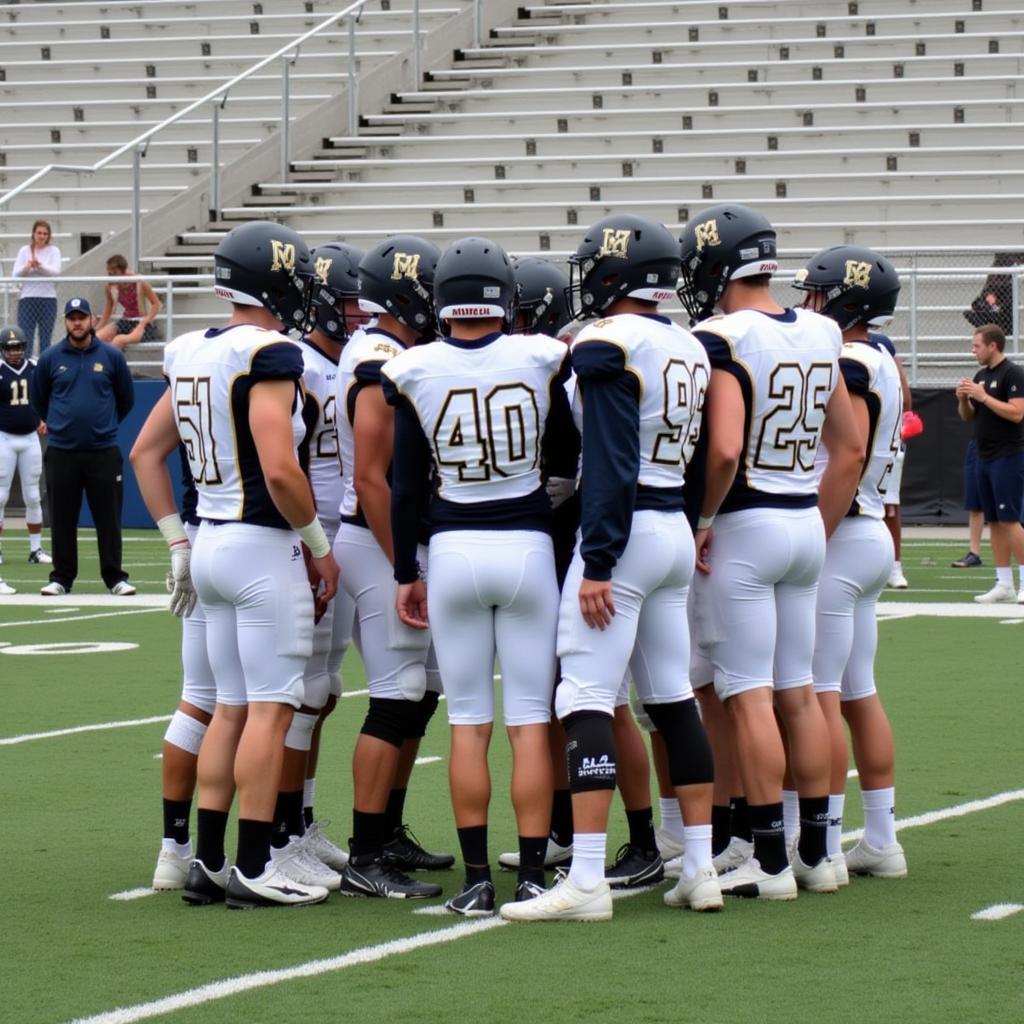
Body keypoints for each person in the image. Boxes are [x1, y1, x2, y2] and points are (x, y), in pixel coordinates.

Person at [502, 214, 721, 922]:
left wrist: (597, 558)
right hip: (670, 530)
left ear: (608, 275)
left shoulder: (605, 343)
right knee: (671, 699)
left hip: (623, 533)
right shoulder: (688, 346)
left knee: (586, 698)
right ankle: (700, 866)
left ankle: (588, 878)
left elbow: (613, 460)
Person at [131, 220, 340, 909]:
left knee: (227, 710)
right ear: (277, 280)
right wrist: (318, 544)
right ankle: (254, 863)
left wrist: (176, 543)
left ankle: (210, 861)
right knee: (271, 713)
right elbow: (280, 468)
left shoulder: (192, 347)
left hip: (209, 541)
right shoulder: (272, 354)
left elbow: (144, 453)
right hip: (260, 545)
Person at [383, 237, 579, 916]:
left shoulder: (412, 368)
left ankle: (474, 880)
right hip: (527, 543)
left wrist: (406, 567)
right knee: (530, 720)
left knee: (469, 722)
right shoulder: (545, 356)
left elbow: (402, 485)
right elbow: (566, 453)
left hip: (454, 548)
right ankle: (530, 875)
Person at [676, 204, 863, 901]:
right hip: (801, 524)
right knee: (801, 693)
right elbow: (847, 448)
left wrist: (703, 516)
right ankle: (818, 852)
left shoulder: (721, 334)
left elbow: (723, 448)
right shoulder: (820, 329)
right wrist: (816, 522)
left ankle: (771, 861)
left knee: (747, 694)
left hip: (748, 526)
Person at [333, 234, 451, 900]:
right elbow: (372, 479)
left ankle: (390, 828)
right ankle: (365, 851)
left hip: (395, 538)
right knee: (396, 693)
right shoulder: (379, 357)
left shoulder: (395, 351)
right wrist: (404, 561)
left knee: (421, 691)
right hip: (376, 538)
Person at [794, 244, 909, 882]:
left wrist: (817, 529)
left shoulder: (852, 360)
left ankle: (826, 842)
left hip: (843, 532)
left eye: (817, 291)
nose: (807, 301)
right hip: (870, 533)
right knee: (858, 691)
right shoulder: (885, 356)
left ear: (843, 299)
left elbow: (851, 451)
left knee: (821, 693)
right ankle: (883, 839)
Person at [265, 242, 362, 892]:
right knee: (297, 694)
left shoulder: (345, 358)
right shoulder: (292, 363)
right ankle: (276, 833)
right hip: (306, 535)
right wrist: (305, 542)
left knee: (321, 692)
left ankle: (297, 822)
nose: (363, 312)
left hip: (336, 534)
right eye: (353, 300)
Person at [29, 297, 136, 596]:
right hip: (62, 452)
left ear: (92, 320)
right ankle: (62, 578)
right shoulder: (51, 357)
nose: (77, 322)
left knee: (109, 519)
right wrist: (60, 424)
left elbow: (125, 399)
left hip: (103, 451)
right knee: (62, 518)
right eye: (72, 317)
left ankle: (115, 578)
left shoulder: (112, 357)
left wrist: (105, 425)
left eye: (82, 317)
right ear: (65, 321)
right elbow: (39, 399)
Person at [956, 324, 1024, 603]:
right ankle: (1003, 583)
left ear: (992, 346)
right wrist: (964, 400)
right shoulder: (981, 375)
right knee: (994, 521)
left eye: (977, 346)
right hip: (983, 455)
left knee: (1010, 520)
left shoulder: (1013, 373)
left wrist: (983, 397)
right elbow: (968, 417)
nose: (973, 351)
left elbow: (1017, 413)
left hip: (1008, 455)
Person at [0, 325, 50, 577]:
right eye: (10, 348)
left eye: (18, 347)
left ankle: (35, 548)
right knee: (0, 496)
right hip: (4, 438)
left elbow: (44, 395)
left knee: (32, 495)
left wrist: (42, 417)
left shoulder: (35, 367)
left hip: (30, 437)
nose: (14, 352)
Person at [12, 220, 61, 357]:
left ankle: (44, 369)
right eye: (39, 233)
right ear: (33, 234)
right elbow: (15, 274)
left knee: (45, 337)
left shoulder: (54, 251)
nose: (42, 236)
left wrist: (39, 266)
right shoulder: (24, 250)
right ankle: (26, 367)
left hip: (48, 298)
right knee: (26, 336)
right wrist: (28, 267)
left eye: (45, 233)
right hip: (27, 298)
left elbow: (55, 271)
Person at [95, 254, 162, 350]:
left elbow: (156, 304)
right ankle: (98, 363)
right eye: (109, 272)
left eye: (114, 272)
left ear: (123, 271)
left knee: (118, 340)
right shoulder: (110, 286)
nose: (110, 275)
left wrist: (144, 323)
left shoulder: (139, 281)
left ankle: (109, 363)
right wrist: (97, 328)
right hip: (125, 321)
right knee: (96, 338)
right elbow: (108, 308)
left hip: (142, 322)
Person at [950, 440, 985, 568]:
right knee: (976, 503)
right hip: (979, 442)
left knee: (1007, 511)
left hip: (1007, 445)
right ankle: (974, 554)